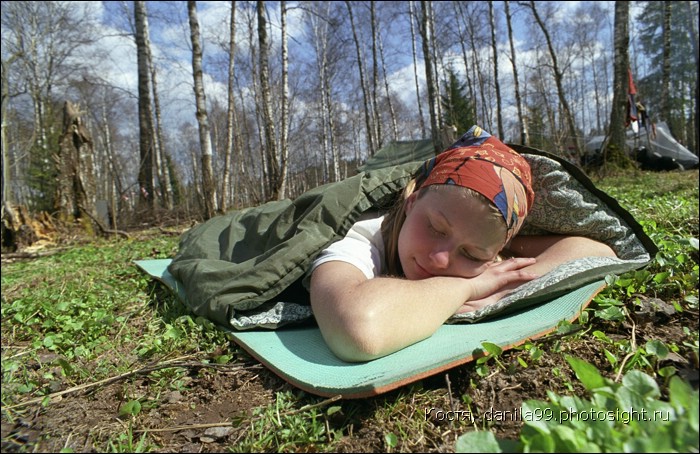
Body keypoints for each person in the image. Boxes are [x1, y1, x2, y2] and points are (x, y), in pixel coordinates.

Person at [308, 126, 616, 362]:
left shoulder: (483, 245)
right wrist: (467, 288)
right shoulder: (361, 235)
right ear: (412, 202)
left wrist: (507, 285)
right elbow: (358, 328)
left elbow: (596, 250)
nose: (440, 259)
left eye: (470, 253)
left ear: (494, 255)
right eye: (436, 228)